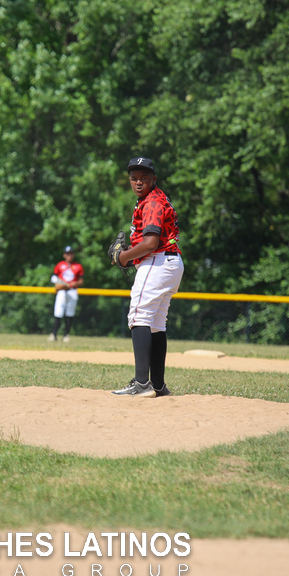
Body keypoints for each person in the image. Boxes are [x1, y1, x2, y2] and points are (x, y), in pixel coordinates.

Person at [110, 156, 183, 398]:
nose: (138, 182)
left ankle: (142, 384)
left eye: (144, 177)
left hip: (157, 262)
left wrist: (124, 257)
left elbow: (151, 243)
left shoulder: (151, 202)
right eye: (134, 178)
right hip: (170, 263)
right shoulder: (155, 198)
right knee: (156, 323)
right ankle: (158, 385)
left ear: (154, 179)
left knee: (139, 316)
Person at [47, 245, 84, 342]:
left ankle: (66, 335)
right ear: (64, 255)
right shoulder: (60, 265)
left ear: (73, 255)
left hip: (72, 291)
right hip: (62, 291)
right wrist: (62, 283)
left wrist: (74, 283)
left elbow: (81, 281)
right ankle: (53, 334)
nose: (69, 256)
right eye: (67, 254)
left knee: (69, 313)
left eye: (71, 253)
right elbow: (53, 278)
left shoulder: (78, 266)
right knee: (58, 312)